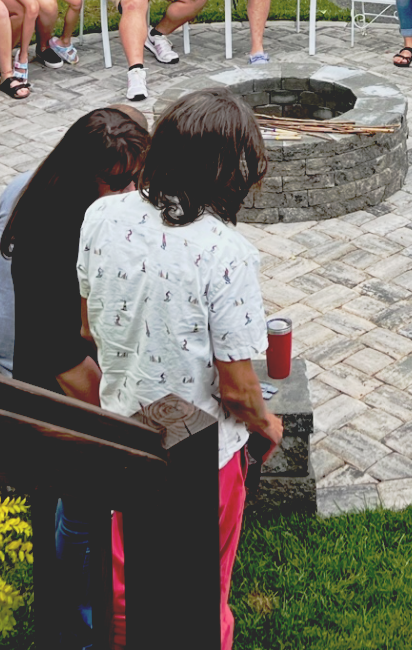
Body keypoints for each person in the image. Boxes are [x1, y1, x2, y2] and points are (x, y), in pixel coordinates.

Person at [82, 88, 282, 650]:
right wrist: (268, 426)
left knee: (125, 590)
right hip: (202, 460)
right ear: (229, 171)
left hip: (122, 435)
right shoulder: (226, 252)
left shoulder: (101, 215)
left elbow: (86, 325)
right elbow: (238, 390)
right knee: (201, 591)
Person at [0, 105, 151, 649]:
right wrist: (121, 419)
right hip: (61, 386)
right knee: (82, 510)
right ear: (83, 176)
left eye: (139, 178)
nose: (132, 193)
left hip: (75, 370)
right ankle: (76, 625)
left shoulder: (74, 204)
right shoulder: (55, 232)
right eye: (118, 182)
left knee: (80, 508)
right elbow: (62, 358)